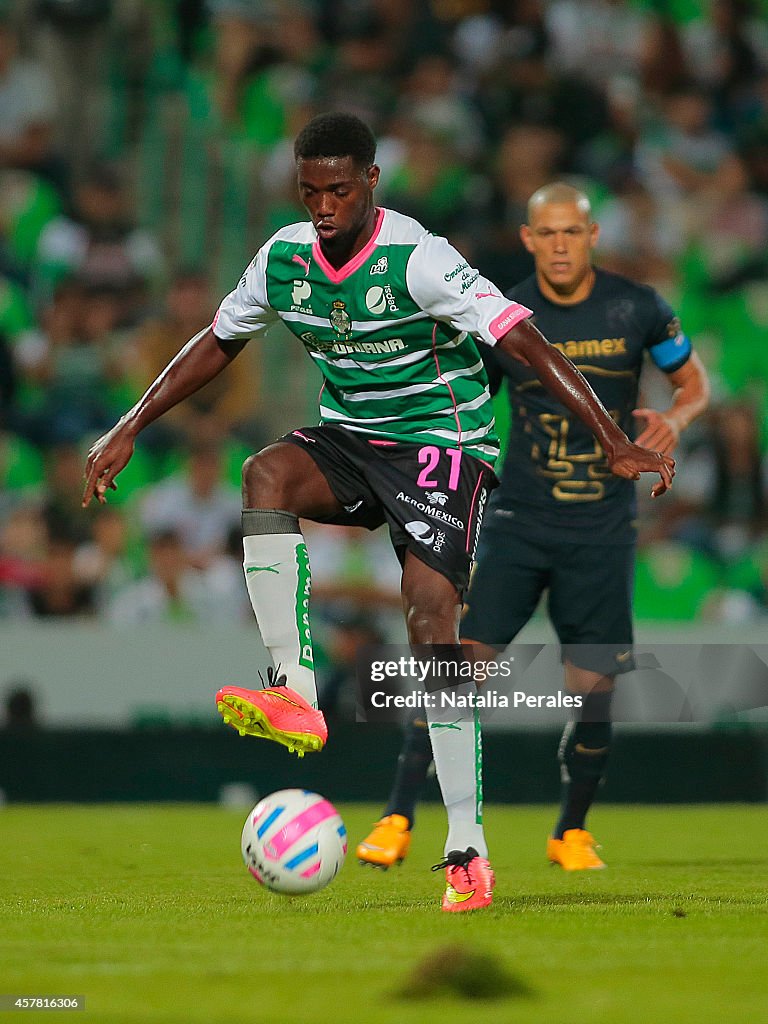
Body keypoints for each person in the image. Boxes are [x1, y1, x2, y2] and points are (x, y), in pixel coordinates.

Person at [82, 115, 674, 911]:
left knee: (431, 624)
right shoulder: (283, 256)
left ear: (370, 183)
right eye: (309, 191)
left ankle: (466, 846)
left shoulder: (419, 258)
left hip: (444, 444)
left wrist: (609, 438)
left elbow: (524, 342)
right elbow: (217, 340)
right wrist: (129, 426)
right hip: (356, 439)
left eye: (337, 189)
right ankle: (294, 688)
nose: (322, 206)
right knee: (265, 475)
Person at [357, 182, 708, 873]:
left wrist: (677, 418)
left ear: (592, 235)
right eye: (545, 234)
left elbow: (693, 383)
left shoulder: (637, 307)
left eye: (569, 233)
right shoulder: (504, 314)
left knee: (595, 685)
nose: (557, 245)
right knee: (461, 669)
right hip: (519, 522)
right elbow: (462, 403)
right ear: (527, 238)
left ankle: (570, 831)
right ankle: (398, 814)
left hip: (603, 528)